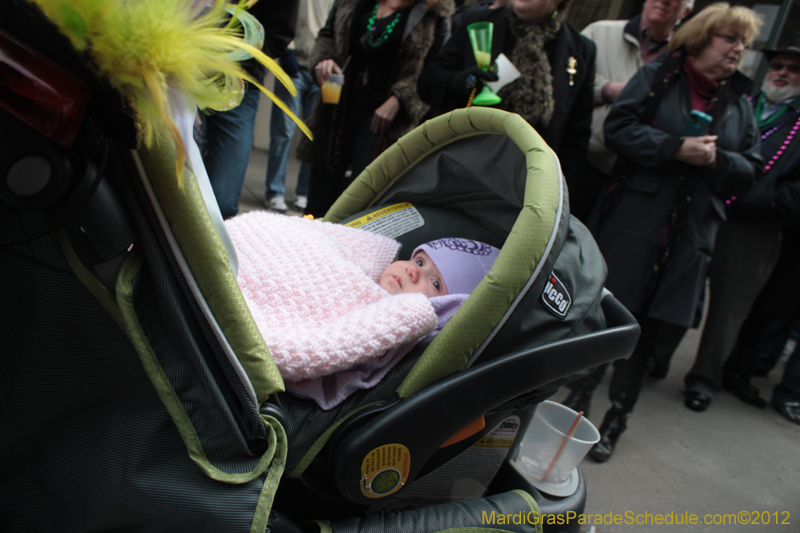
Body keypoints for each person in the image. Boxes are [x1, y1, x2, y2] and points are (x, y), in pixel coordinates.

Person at [583, 3, 762, 463]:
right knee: (607, 314)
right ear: (702, 38)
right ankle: (576, 404)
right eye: (729, 39)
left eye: (743, 42)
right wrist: (673, 148)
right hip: (634, 221)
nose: (738, 50)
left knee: (649, 328)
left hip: (690, 233)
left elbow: (751, 168)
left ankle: (616, 420)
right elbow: (619, 128)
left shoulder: (740, 100)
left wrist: (716, 159)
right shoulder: (659, 76)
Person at [561, 0, 695, 415]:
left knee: (598, 269)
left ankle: (583, 356)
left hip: (631, 179)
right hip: (584, 165)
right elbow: (572, 81)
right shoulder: (601, 31)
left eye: (675, 0)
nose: (664, 3)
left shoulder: (682, 54)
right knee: (562, 254)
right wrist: (612, 90)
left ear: (686, 11)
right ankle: (555, 344)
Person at [680, 33, 800, 412]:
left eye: (794, 69)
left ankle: (704, 378)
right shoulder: (741, 103)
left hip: (755, 227)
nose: (782, 73)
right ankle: (654, 357)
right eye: (778, 65)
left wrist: (754, 199)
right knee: (682, 287)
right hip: (710, 209)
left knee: (728, 309)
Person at [416, 0, 595, 216]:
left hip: (521, 191)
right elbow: (426, 83)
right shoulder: (479, 21)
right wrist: (464, 82)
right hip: (459, 170)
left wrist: (556, 200)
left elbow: (575, 137)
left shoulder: (581, 50)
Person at [297, 0, 455, 218]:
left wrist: (401, 97)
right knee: (318, 201)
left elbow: (432, 72)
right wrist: (324, 61)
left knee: (363, 206)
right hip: (337, 112)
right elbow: (327, 35)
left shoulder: (434, 14)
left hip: (383, 124)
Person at [203, 0, 299, 219]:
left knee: (222, 200)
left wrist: (239, 60)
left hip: (238, 80)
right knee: (167, 180)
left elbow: (279, 34)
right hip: (181, 67)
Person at [265, 0, 335, 213]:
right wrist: (287, 51)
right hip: (294, 63)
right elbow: (284, 16)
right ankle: (274, 191)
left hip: (326, 71)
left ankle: (304, 192)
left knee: (316, 134)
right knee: (283, 132)